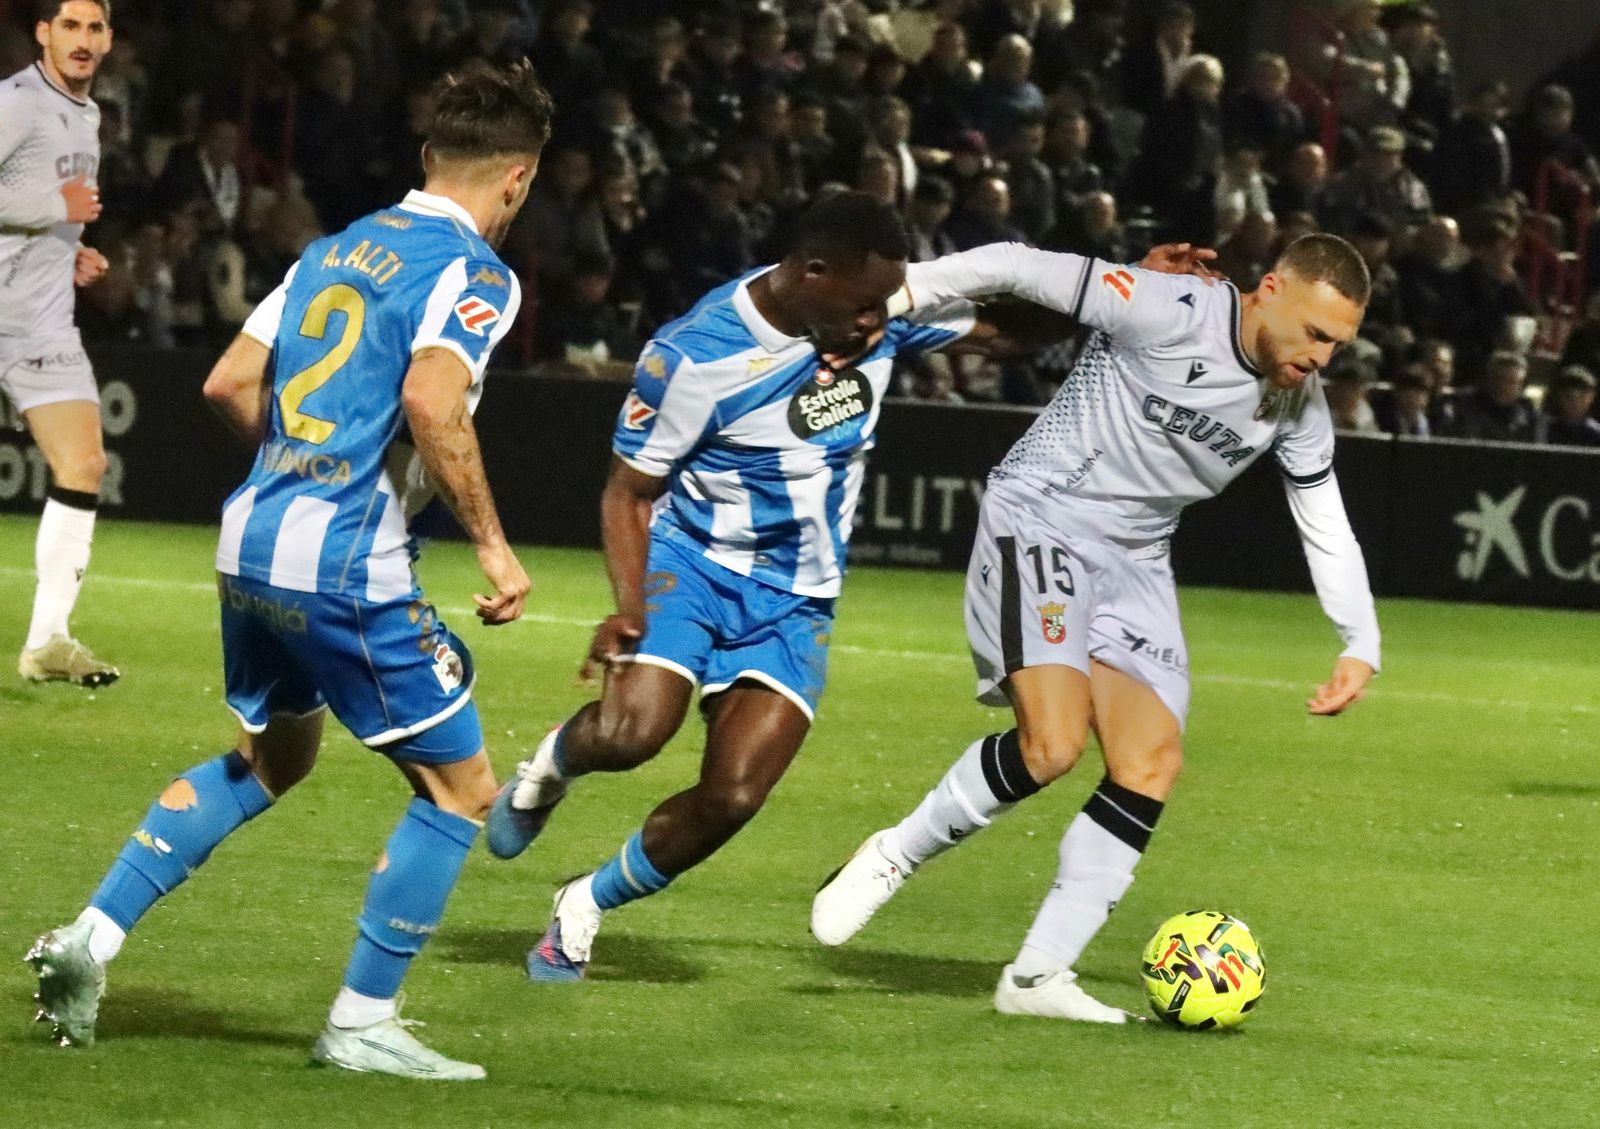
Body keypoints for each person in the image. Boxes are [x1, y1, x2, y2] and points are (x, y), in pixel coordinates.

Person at [483, 191, 1217, 982]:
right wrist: (628, 607)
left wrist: (1127, 287)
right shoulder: (696, 355)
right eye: (865, 303)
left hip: (798, 598)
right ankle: (550, 768)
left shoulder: (882, 313)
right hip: (693, 564)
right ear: (812, 272)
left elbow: (1010, 332)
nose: (879, 317)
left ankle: (583, 902)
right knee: (632, 734)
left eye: (887, 301)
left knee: (734, 796)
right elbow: (628, 492)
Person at [27, 59, 552, 1081]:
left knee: (273, 758)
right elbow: (432, 399)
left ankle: (89, 938)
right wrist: (492, 543)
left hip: (253, 533)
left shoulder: (331, 248)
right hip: (347, 556)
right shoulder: (478, 272)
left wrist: (298, 467)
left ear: (427, 155)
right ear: (517, 178)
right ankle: (361, 1021)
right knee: (463, 789)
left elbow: (228, 382)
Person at [811, 233, 1381, 1023]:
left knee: (1150, 761)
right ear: (1271, 289)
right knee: (1051, 746)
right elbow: (1016, 265)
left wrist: (1359, 639)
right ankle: (893, 853)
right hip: (1043, 516)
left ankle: (1037, 978)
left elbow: (1323, 516)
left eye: (1338, 345)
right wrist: (902, 296)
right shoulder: (1170, 309)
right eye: (1316, 333)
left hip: (1136, 561)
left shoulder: (1299, 407)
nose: (1321, 357)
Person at [1, 0, 117, 686]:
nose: (82, 39)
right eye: (69, 25)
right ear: (43, 33)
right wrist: (55, 211)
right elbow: (44, 200)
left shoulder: (88, 115)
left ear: (109, 40)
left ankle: (48, 640)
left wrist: (69, 249)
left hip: (42, 321)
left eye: (94, 27)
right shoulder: (17, 103)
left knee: (85, 463)